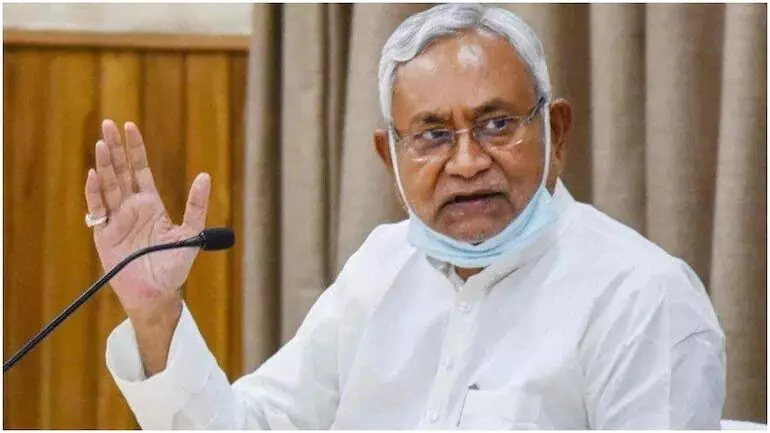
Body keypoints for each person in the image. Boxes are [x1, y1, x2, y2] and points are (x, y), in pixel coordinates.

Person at [84, 4, 725, 429]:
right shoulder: (382, 266)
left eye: (497, 125)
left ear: (556, 134)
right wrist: (155, 310)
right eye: (432, 136)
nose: (467, 162)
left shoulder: (643, 298)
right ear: (388, 157)